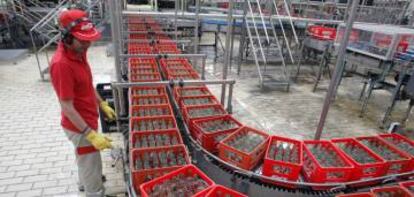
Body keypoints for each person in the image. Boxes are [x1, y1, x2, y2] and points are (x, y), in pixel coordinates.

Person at [50, 9, 116, 197]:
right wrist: (91, 135)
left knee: (85, 159)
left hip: (88, 119)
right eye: (83, 40)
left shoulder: (78, 52)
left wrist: (102, 103)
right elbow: (67, 107)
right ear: (67, 37)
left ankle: (84, 183)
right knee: (90, 161)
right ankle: (94, 192)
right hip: (79, 127)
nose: (87, 44)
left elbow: (87, 83)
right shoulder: (62, 64)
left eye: (89, 39)